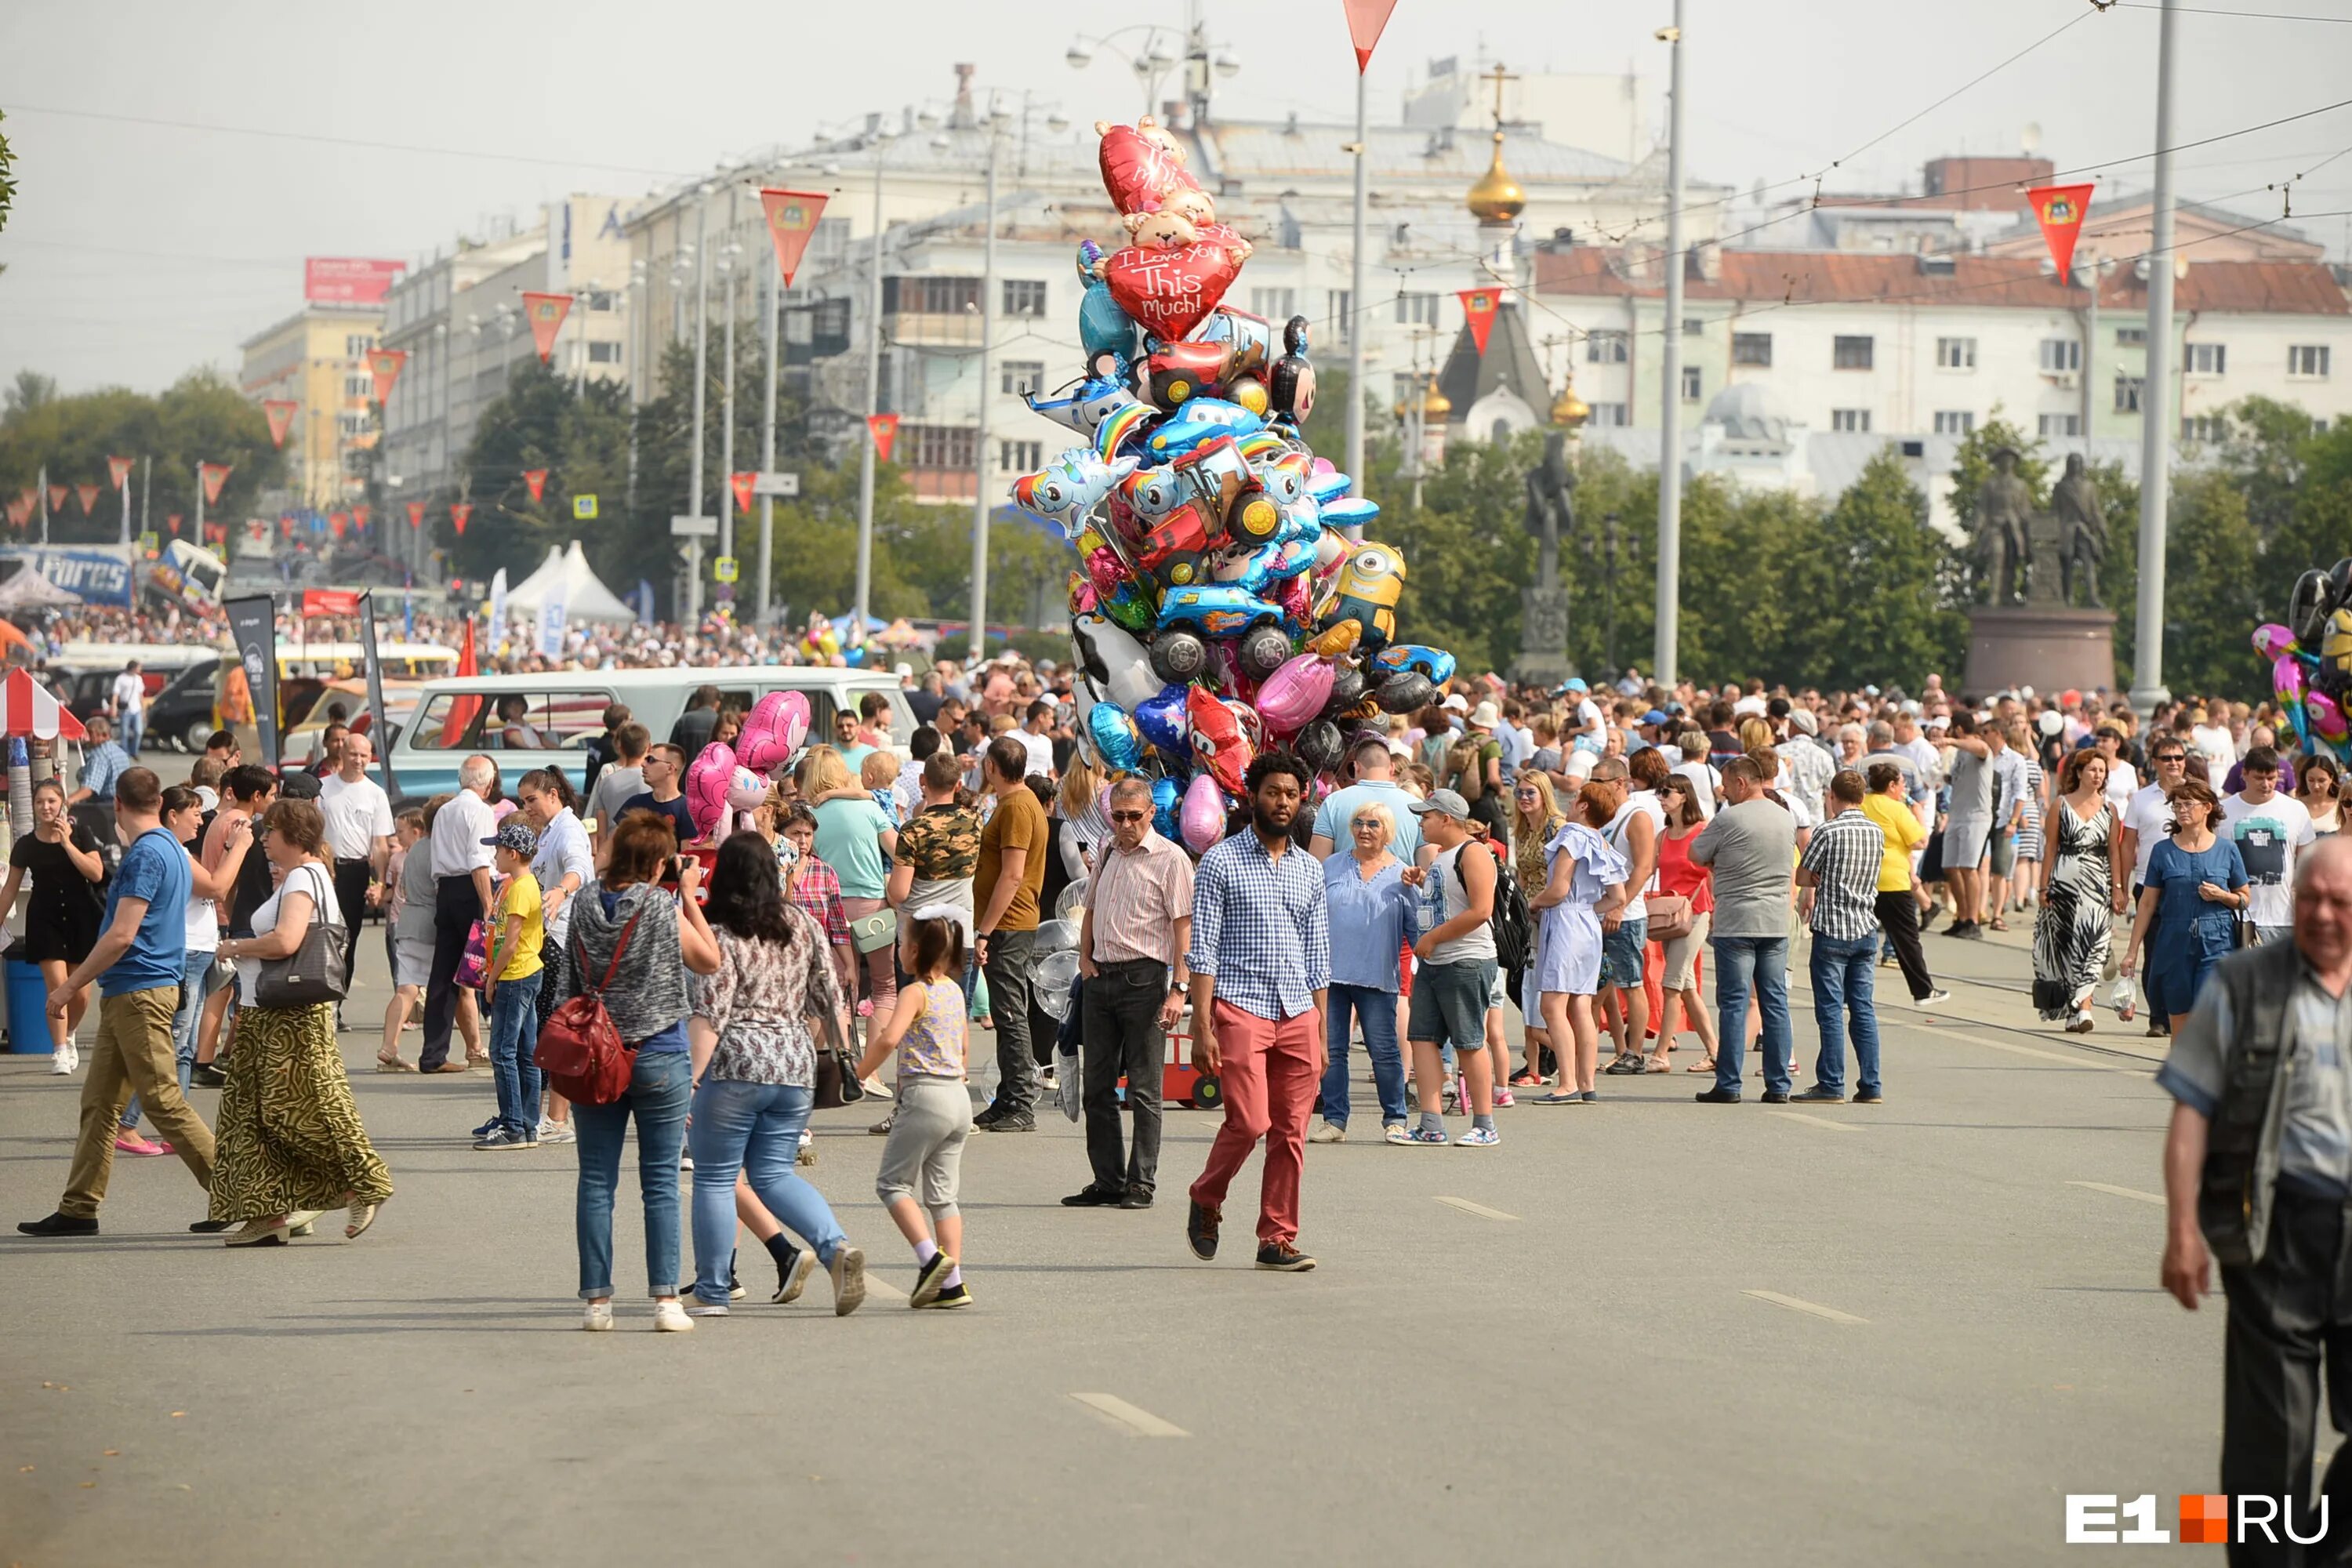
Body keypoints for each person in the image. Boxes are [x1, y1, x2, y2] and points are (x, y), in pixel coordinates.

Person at [2157, 837, 2352, 1549]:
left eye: (2341, 903)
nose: (2323, 915)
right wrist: (2182, 1232)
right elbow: (2191, 1112)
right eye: (2310, 899)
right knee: (2270, 1447)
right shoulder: (2245, 983)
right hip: (2277, 1229)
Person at [18, 768, 215, 1238]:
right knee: (101, 1103)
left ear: (118, 806)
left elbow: (123, 934)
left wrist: (69, 987)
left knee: (164, 1101)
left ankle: (249, 1193)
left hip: (141, 990)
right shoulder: (171, 845)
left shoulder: (147, 853)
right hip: (134, 988)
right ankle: (79, 1208)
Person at [684, 831, 867, 1319]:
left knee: (717, 1178)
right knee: (772, 1174)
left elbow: (710, 1013)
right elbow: (830, 994)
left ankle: (714, 1288)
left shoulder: (720, 934)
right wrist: (844, 1052)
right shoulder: (803, 924)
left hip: (735, 1064)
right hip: (794, 1062)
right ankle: (835, 1247)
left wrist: (690, 1080)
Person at [208, 799, 394, 1246]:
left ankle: (363, 1182)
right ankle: (269, 1210)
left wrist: (237, 947)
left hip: (286, 1014)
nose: (265, 839)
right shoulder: (304, 876)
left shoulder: (302, 877)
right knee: (253, 1114)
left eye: (271, 831)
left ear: (291, 835)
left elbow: (287, 940)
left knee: (305, 1108)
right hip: (264, 1012)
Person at [563, 811, 723, 1332]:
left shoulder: (584, 901)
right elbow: (708, 960)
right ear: (657, 864)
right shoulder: (659, 905)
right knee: (659, 1182)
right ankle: (665, 1301)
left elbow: (569, 975)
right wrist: (691, 900)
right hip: (658, 1051)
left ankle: (596, 1303)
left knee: (595, 1181)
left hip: (596, 1052)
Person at [1184, 750, 1330, 1273]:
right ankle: (1207, 1195)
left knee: (1290, 1134)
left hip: (1298, 1012)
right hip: (1240, 1006)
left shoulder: (1311, 870)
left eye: (1291, 794)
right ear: (1253, 796)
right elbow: (1202, 949)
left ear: (1302, 800)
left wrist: (1323, 1032)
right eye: (1273, 792)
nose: (1283, 802)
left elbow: (1318, 956)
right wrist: (1201, 1024)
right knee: (1248, 1123)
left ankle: (1277, 1238)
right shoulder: (1222, 862)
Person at [1070, 776, 1193, 1204]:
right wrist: (1085, 959)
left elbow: (1184, 930)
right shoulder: (1107, 849)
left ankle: (1141, 1182)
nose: (1125, 824)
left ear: (1151, 814)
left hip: (1145, 978)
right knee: (1097, 1087)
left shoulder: (1171, 859)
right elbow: (1090, 907)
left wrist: (1179, 989)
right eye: (1118, 816)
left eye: (1133, 816)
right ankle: (1108, 1180)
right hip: (1100, 976)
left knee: (1144, 1088)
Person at [118, 786, 252, 1153]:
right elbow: (217, 887)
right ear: (171, 815)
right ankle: (128, 1123)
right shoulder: (171, 851)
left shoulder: (177, 851)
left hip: (197, 952)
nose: (200, 819)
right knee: (174, 1043)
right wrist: (238, 846)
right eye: (194, 812)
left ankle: (174, 1128)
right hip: (187, 953)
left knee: (185, 1045)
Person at [854, 904, 974, 1308]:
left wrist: (860, 1073)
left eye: (903, 942)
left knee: (892, 1184)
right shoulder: (955, 991)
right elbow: (963, 1046)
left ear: (917, 950)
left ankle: (930, 1260)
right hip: (958, 1098)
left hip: (925, 1096)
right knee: (943, 1197)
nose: (899, 949)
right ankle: (952, 1282)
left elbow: (888, 1039)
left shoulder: (914, 991)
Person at [1691, 757, 1799, 1105]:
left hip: (1736, 920)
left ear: (1741, 782)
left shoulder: (1729, 818)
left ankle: (1729, 1083)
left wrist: (1719, 862)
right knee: (1775, 1003)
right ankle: (1778, 1084)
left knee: (1735, 1003)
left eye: (1725, 783)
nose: (1722, 790)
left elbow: (1696, 852)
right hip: (1775, 920)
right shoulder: (1785, 817)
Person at [1311, 801, 1417, 1145]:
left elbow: (1416, 929)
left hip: (1377, 975)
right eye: (1358, 823)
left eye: (1373, 824)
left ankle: (1395, 1117)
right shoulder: (1332, 865)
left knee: (1384, 1050)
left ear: (1387, 832)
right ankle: (1335, 1119)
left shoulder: (1402, 875)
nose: (1365, 829)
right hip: (1331, 975)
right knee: (1333, 1048)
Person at [1401, 789, 1501, 1145]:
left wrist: (1434, 938)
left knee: (1469, 1042)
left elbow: (1481, 910)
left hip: (1466, 960)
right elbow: (1451, 900)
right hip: (1437, 961)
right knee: (1423, 1039)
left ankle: (1485, 1125)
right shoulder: (1445, 856)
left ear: (1446, 819)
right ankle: (1431, 1124)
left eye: (1427, 816)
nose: (1421, 822)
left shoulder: (1473, 852)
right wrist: (1423, 880)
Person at [1526, 785, 1630, 1104]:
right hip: (1587, 923)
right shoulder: (1601, 840)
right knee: (1582, 1005)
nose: (1570, 804)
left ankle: (1567, 1082)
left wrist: (1534, 903)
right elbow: (1618, 897)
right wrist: (1589, 909)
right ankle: (1586, 1083)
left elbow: (1558, 888)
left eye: (1575, 800)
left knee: (1553, 1005)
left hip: (1565, 921)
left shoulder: (1572, 835)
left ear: (1584, 807)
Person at [2123, 780, 2250, 1032]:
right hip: (2174, 941)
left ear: (2207, 808)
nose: (2181, 810)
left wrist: (2222, 896)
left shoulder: (2227, 849)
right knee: (2179, 1018)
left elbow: (2244, 897)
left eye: (2188, 805)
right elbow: (2148, 903)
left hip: (2217, 941)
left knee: (2208, 1013)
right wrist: (2132, 951)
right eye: (2177, 806)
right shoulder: (2163, 851)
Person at [0, 779, 105, 1076]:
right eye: (39, 802)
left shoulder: (81, 834)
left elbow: (96, 873)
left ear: (62, 804)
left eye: (51, 801)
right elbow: (10, 889)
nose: (45, 807)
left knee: (82, 994)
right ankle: (58, 1049)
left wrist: (67, 844)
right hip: (45, 919)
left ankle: (69, 1034)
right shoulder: (26, 844)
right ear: (33, 807)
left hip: (80, 917)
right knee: (57, 987)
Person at [1794, 770, 1886, 1104]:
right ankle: (1871, 1084)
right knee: (1863, 1009)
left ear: (1833, 796)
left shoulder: (1828, 830)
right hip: (1865, 926)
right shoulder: (1876, 831)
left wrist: (1822, 877)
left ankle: (1832, 1082)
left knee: (1831, 1010)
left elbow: (1803, 876)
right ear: (1862, 797)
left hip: (1832, 927)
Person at [973, 735, 1049, 1132]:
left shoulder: (1018, 805)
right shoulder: (1013, 802)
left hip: (1009, 924)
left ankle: (1020, 1102)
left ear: (992, 767)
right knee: (1005, 1015)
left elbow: (1013, 873)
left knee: (1009, 1013)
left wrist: (985, 930)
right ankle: (1007, 1098)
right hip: (1006, 923)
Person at [799, 745, 899, 1022]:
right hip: (873, 905)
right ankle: (874, 1062)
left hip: (830, 908)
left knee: (842, 987)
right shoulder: (869, 808)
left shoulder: (807, 818)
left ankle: (845, 1057)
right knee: (885, 988)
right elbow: (899, 851)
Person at [193, 764, 279, 1087]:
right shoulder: (243, 827)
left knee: (220, 992)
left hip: (216, 913)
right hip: (228, 915)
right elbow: (233, 882)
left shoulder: (221, 818)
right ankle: (227, 1060)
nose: (273, 800)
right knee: (243, 997)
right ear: (256, 796)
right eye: (271, 795)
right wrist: (231, 916)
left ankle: (206, 1060)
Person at [518, 768, 591, 1145]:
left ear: (552, 795)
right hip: (550, 938)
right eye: (523, 801)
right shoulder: (547, 832)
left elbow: (579, 867)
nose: (526, 807)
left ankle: (559, 1120)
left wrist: (562, 891)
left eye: (531, 799)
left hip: (566, 939)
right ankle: (558, 1115)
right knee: (555, 1029)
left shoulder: (568, 829)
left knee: (562, 1031)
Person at [2034, 751, 2122, 1034]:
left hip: (2097, 882)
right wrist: (2043, 886)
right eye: (2093, 769)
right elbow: (2050, 849)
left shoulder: (2110, 809)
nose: (2098, 775)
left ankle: (2085, 1008)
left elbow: (2114, 852)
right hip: (2064, 881)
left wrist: (2118, 888)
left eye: (2102, 771)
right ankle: (2075, 1010)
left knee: (2092, 942)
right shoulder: (2060, 804)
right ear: (2079, 772)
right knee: (2067, 947)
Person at [472, 820, 546, 1151]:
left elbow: (511, 941)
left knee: (503, 1052)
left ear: (513, 853)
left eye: (498, 850)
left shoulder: (520, 888)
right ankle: (526, 1123)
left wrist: (492, 978)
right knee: (525, 1052)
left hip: (515, 974)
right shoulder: (523, 883)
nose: (495, 856)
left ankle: (514, 1124)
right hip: (527, 971)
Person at [420, 755, 497, 1074]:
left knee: (443, 975)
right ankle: (501, 1043)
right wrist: (489, 905)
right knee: (488, 965)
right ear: (489, 783)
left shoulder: (445, 810)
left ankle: (433, 1054)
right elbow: (479, 861)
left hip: (447, 891)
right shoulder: (480, 810)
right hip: (472, 888)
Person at [1592, 756, 1659, 1076]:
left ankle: (1635, 1052)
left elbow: (1644, 867)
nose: (1593, 787)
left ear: (1620, 783)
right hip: (1600, 911)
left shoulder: (1637, 816)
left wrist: (1620, 906)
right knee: (1599, 988)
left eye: (1599, 782)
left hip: (1627, 914)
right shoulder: (1605, 815)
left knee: (1631, 984)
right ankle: (1615, 1048)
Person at [1861, 762, 1948, 1010]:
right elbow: (1920, 841)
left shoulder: (1864, 803)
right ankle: (1923, 989)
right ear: (1891, 786)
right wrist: (1919, 814)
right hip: (1892, 882)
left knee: (1859, 939)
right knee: (1907, 939)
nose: (1904, 788)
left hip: (1865, 880)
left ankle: (1851, 993)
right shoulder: (1897, 809)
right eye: (1901, 784)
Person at [1652, 773, 1721, 1074]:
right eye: (1660, 793)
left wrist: (1717, 909)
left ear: (1684, 796)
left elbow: (1713, 873)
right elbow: (1647, 868)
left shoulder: (1701, 831)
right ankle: (1716, 1051)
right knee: (1687, 987)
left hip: (1695, 911)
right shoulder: (1664, 836)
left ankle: (1660, 1054)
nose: (1662, 798)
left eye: (1667, 792)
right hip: (1670, 915)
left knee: (1672, 985)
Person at [319, 731, 394, 1004]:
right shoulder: (324, 788)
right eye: (354, 754)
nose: (359, 760)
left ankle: (337, 1001)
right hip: (326, 871)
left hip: (356, 872)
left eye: (364, 755)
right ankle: (320, 999)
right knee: (322, 934)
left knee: (348, 938)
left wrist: (381, 882)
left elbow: (380, 845)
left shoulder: (375, 794)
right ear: (342, 754)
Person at [1506, 771, 1569, 1086]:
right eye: (1519, 793)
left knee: (1545, 987)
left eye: (1530, 793)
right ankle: (1534, 1064)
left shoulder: (1556, 827)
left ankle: (1560, 1051)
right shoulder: (1522, 830)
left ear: (1544, 794)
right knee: (1523, 985)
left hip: (1553, 913)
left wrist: (1538, 902)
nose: (1524, 799)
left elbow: (1564, 877)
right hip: (1528, 914)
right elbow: (1524, 876)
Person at [2223, 746, 2316, 949]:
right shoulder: (2224, 812)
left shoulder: (2296, 810)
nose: (2266, 784)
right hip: (2237, 917)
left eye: (2271, 778)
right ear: (2244, 774)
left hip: (2284, 918)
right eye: (2259, 778)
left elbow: (2308, 865)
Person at [1307, 733, 1424, 864]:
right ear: (1392, 768)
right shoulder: (1416, 806)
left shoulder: (1333, 803)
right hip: (1401, 884)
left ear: (1356, 767)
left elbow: (1317, 864)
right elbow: (1428, 871)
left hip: (1342, 883)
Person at [378, 807, 431, 1071]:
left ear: (417, 830)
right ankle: (473, 1047)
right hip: (428, 925)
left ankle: (389, 1046)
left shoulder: (407, 857)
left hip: (406, 923)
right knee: (461, 987)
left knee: (406, 988)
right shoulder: (434, 852)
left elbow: (402, 890)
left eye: (400, 831)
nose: (397, 837)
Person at [1936, 711, 1997, 938]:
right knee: (1950, 867)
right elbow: (1955, 778)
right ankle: (1961, 918)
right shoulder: (1960, 754)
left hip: (1976, 816)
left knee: (1969, 868)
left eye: (1953, 729)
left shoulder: (1978, 748)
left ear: (1959, 729)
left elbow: (1982, 750)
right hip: (1957, 814)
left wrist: (1951, 741)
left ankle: (1974, 919)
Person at [1443, 706, 1507, 840]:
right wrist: (1501, 790)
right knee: (1499, 826)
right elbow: (1493, 777)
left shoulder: (1461, 741)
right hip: (1482, 797)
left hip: (1460, 796)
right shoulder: (1491, 745)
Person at [615, 744, 695, 850]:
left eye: (651, 760)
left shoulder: (686, 809)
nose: (643, 764)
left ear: (670, 768)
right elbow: (611, 846)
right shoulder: (634, 803)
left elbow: (686, 855)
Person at [585, 721, 650, 839]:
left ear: (620, 747)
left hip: (614, 847)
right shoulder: (651, 781)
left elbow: (600, 829)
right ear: (649, 747)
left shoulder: (607, 781)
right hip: (644, 846)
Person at [68, 714, 130, 806]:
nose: (86, 737)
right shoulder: (119, 751)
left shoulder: (99, 756)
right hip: (122, 803)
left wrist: (70, 800)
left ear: (104, 735)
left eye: (90, 733)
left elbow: (89, 788)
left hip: (105, 806)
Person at [669, 684, 721, 764]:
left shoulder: (684, 720)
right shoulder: (721, 722)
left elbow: (672, 751)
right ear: (717, 704)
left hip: (686, 773)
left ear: (696, 702)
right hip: (713, 773)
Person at [2296, 752, 2342, 837]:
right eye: (2311, 780)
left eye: (2321, 781)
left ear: (2331, 779)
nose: (2316, 786)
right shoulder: (2295, 805)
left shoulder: (2341, 807)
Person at [111, 659, 143, 756]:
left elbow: (141, 695)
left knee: (138, 732)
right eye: (139, 667)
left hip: (137, 709)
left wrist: (143, 709)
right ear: (133, 668)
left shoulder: (138, 679)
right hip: (125, 710)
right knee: (124, 733)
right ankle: (125, 752)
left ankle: (134, 751)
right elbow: (115, 695)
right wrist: (114, 707)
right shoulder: (121, 679)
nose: (140, 669)